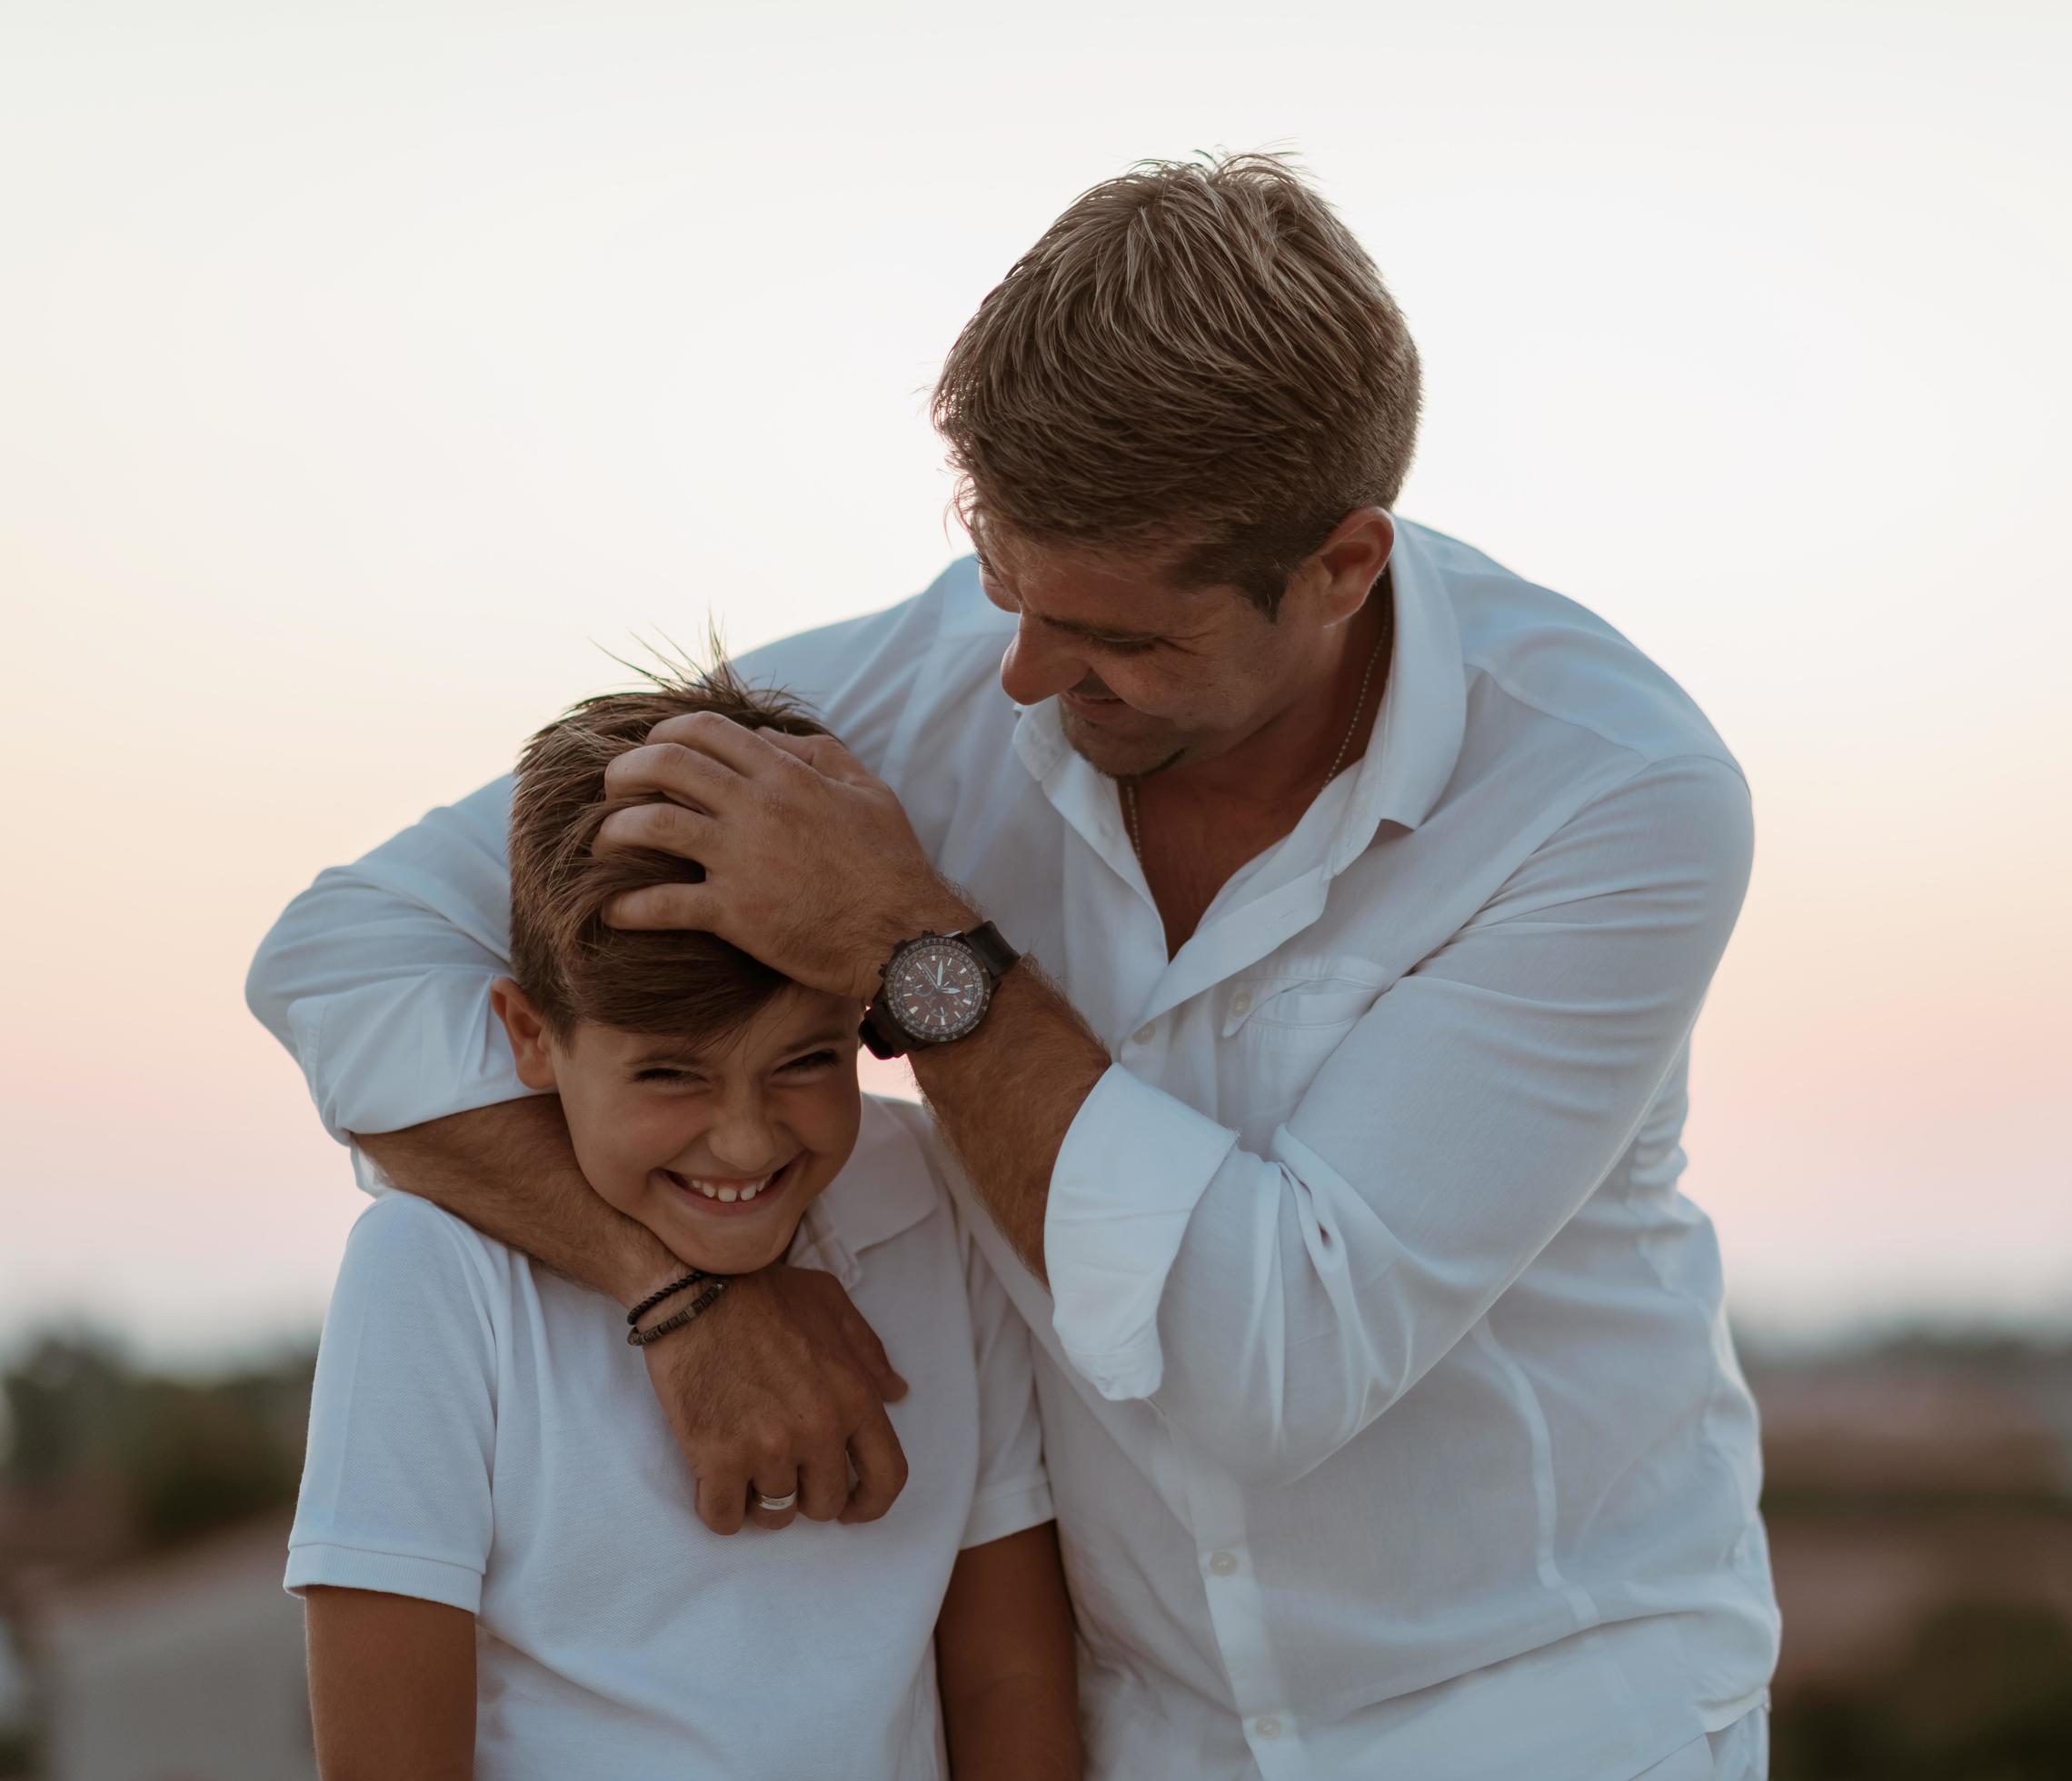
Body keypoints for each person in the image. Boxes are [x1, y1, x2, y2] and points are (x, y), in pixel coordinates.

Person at [251, 152, 1780, 1778]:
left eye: (1121, 636)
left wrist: (919, 953)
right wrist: (674, 1290)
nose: (1033, 678)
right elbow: (346, 956)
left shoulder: (1613, 798)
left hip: (1541, 1710)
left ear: (1341, 569)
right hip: (1139, 1733)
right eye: (1006, 588)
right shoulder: (954, 676)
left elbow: (1266, 1364)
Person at [285, 666, 1081, 1779]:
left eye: (806, 1060)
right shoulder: (432, 1271)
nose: (747, 1143)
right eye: (670, 1074)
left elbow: (1008, 1674)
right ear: (527, 1033)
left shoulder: (933, 1200)